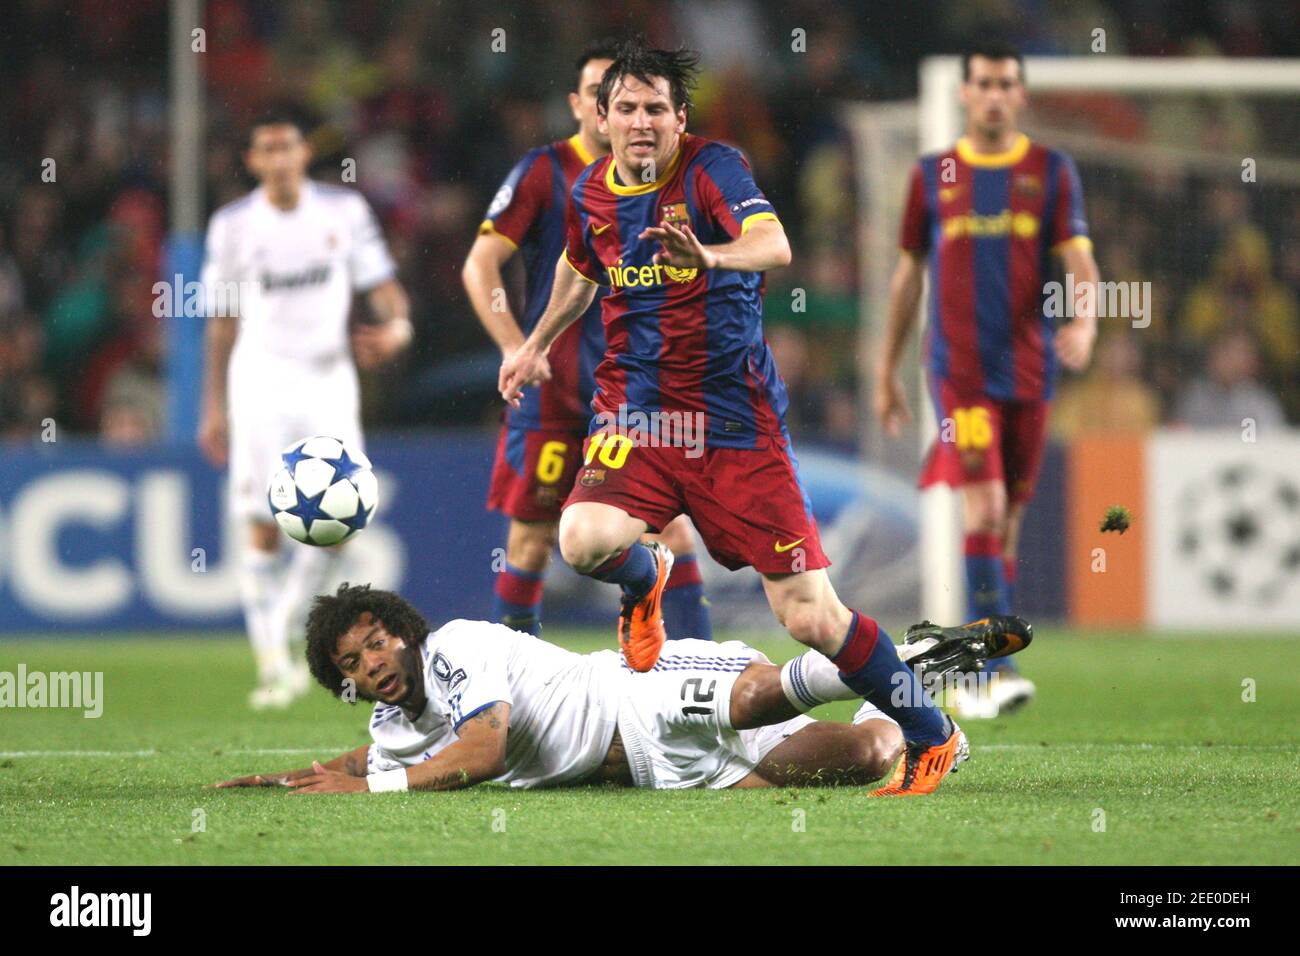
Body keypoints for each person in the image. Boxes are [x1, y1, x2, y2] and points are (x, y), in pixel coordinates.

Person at [498, 37, 975, 795]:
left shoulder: (714, 167)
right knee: (582, 538)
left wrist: (711, 258)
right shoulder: (590, 191)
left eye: (658, 108)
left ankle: (932, 732)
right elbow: (578, 268)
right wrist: (535, 344)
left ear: (680, 119)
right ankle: (644, 576)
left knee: (812, 617)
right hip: (638, 418)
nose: (643, 121)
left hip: (734, 425)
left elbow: (775, 243)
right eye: (627, 108)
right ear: (602, 116)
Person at [212, 584, 1030, 794]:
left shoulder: (457, 648)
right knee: (863, 754)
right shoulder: (397, 724)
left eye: (376, 641)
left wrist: (377, 788)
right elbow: (370, 754)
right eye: (352, 664)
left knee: (759, 697)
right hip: (662, 769)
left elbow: (486, 747)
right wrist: (298, 779)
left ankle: (883, 654)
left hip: (637, 692)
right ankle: (918, 662)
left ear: (405, 631)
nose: (373, 663)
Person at [876, 41, 1101, 719]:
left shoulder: (1051, 171)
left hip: (1029, 372)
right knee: (986, 511)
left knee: (1006, 528)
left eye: (1007, 83)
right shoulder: (933, 174)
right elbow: (908, 274)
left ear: (1020, 94)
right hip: (959, 372)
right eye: (985, 84)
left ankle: (971, 660)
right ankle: (989, 675)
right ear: (965, 94)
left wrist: (1086, 323)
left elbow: (1080, 263)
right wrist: (887, 368)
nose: (996, 95)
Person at [462, 39, 712, 640]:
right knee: (530, 537)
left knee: (669, 530)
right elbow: (480, 265)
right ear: (584, 106)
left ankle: (701, 671)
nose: (622, 112)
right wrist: (513, 345)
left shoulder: (671, 176)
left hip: (635, 391)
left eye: (635, 101)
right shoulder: (546, 172)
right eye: (608, 97)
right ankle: (518, 685)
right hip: (556, 391)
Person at [198, 109, 413, 709]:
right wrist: (211, 406)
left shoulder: (343, 213)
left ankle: (290, 621)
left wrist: (398, 325)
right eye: (267, 148)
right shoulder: (233, 225)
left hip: (328, 382)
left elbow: (382, 284)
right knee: (264, 522)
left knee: (343, 522)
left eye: (288, 146)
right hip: (260, 383)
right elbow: (221, 322)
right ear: (253, 161)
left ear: (302, 153)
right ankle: (272, 664)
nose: (280, 157)